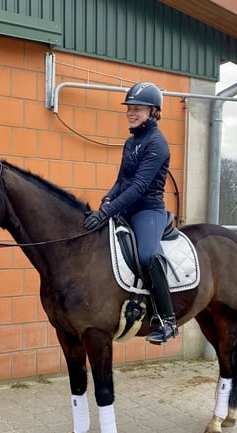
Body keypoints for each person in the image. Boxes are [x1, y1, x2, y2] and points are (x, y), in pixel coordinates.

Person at [83, 81, 178, 344]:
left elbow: (138, 187)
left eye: (137, 109)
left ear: (153, 112)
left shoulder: (157, 143)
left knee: (147, 255)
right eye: (129, 108)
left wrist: (108, 211)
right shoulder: (130, 142)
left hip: (148, 210)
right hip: (125, 207)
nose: (131, 113)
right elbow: (123, 180)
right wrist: (107, 201)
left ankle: (167, 320)